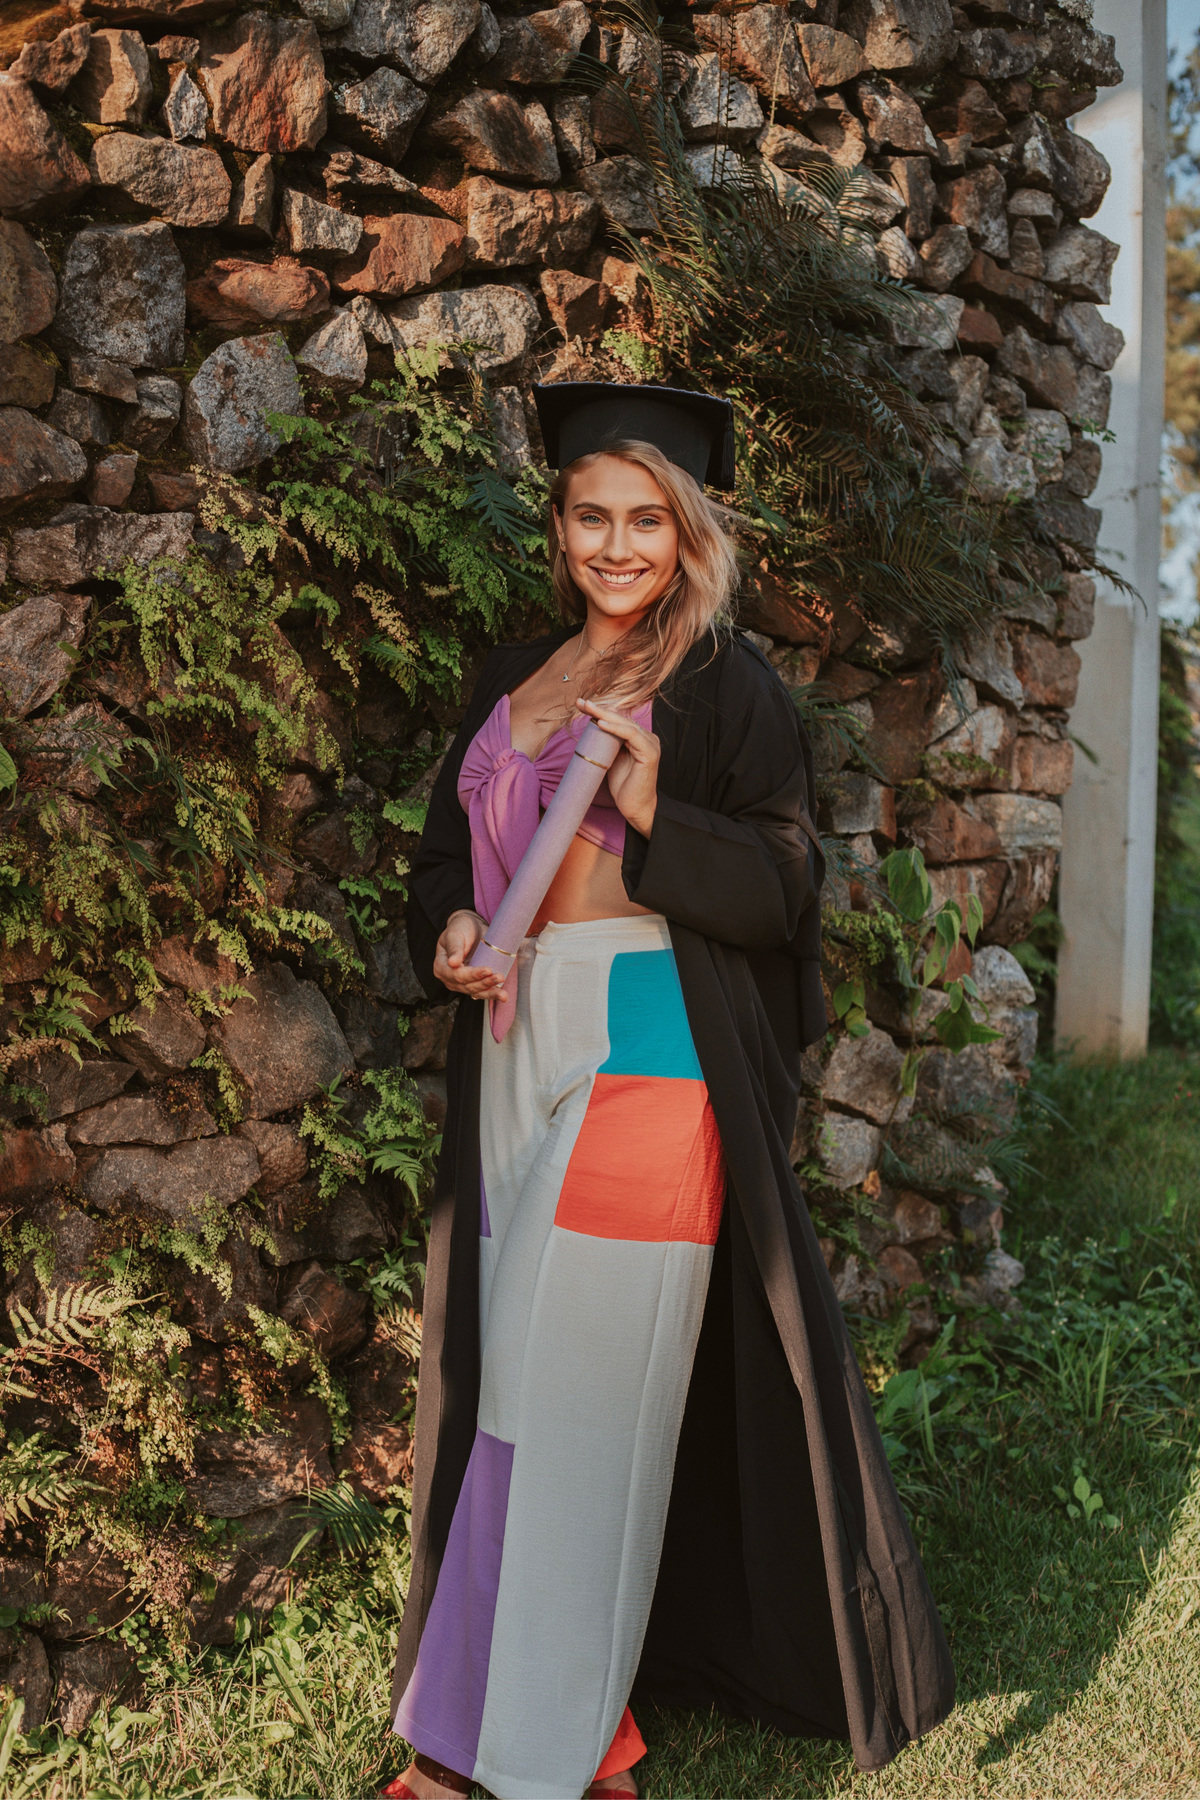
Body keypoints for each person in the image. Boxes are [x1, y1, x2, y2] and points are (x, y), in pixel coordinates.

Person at [382, 383, 954, 1800]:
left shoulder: (721, 683)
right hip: (510, 1041)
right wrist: (449, 925)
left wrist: (649, 811)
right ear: (560, 525)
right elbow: (451, 856)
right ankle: (530, 1720)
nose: (617, 546)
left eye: (648, 520)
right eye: (593, 516)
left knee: (577, 1393)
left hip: (649, 1047)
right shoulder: (515, 673)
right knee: (506, 1395)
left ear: (690, 534)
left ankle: (528, 1758)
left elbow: (785, 886)